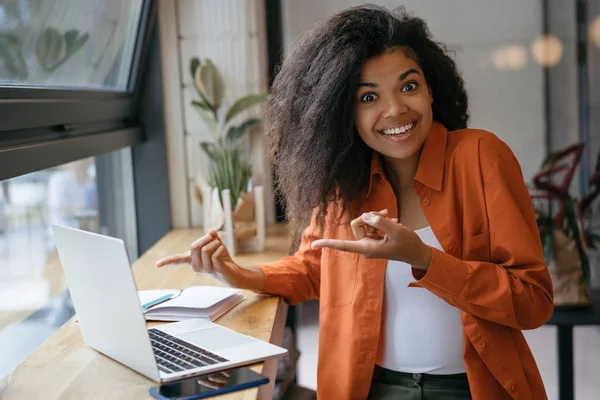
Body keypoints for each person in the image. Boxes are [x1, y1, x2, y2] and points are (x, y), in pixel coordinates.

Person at [157, 5, 553, 400]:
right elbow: (315, 268)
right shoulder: (343, 181)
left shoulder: (481, 156)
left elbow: (533, 300)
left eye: (409, 86)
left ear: (431, 89)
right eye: (368, 96)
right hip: (366, 388)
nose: (395, 108)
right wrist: (237, 275)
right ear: (342, 112)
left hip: (470, 389)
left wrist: (426, 260)